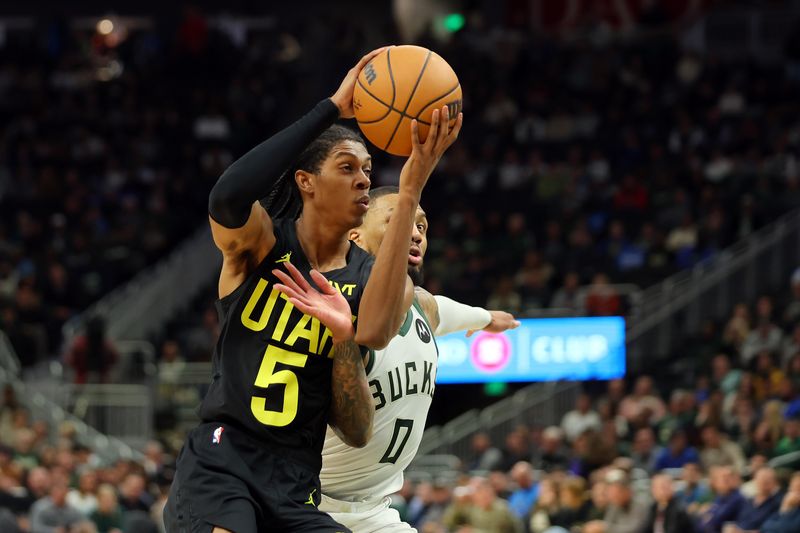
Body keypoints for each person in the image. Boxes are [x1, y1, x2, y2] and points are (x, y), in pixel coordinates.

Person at [164, 48, 463, 533]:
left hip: (296, 483)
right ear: (306, 181)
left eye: (368, 169)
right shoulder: (262, 245)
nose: (364, 178)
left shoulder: (372, 279)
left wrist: (410, 191)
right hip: (225, 461)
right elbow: (227, 197)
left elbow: (378, 334)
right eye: (347, 168)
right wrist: (330, 109)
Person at [310, 185, 518, 532]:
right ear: (355, 235)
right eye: (400, 221)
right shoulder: (335, 309)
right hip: (309, 502)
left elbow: (445, 310)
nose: (416, 233)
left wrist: (485, 318)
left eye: (421, 226)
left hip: (376, 510)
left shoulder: (422, 306)